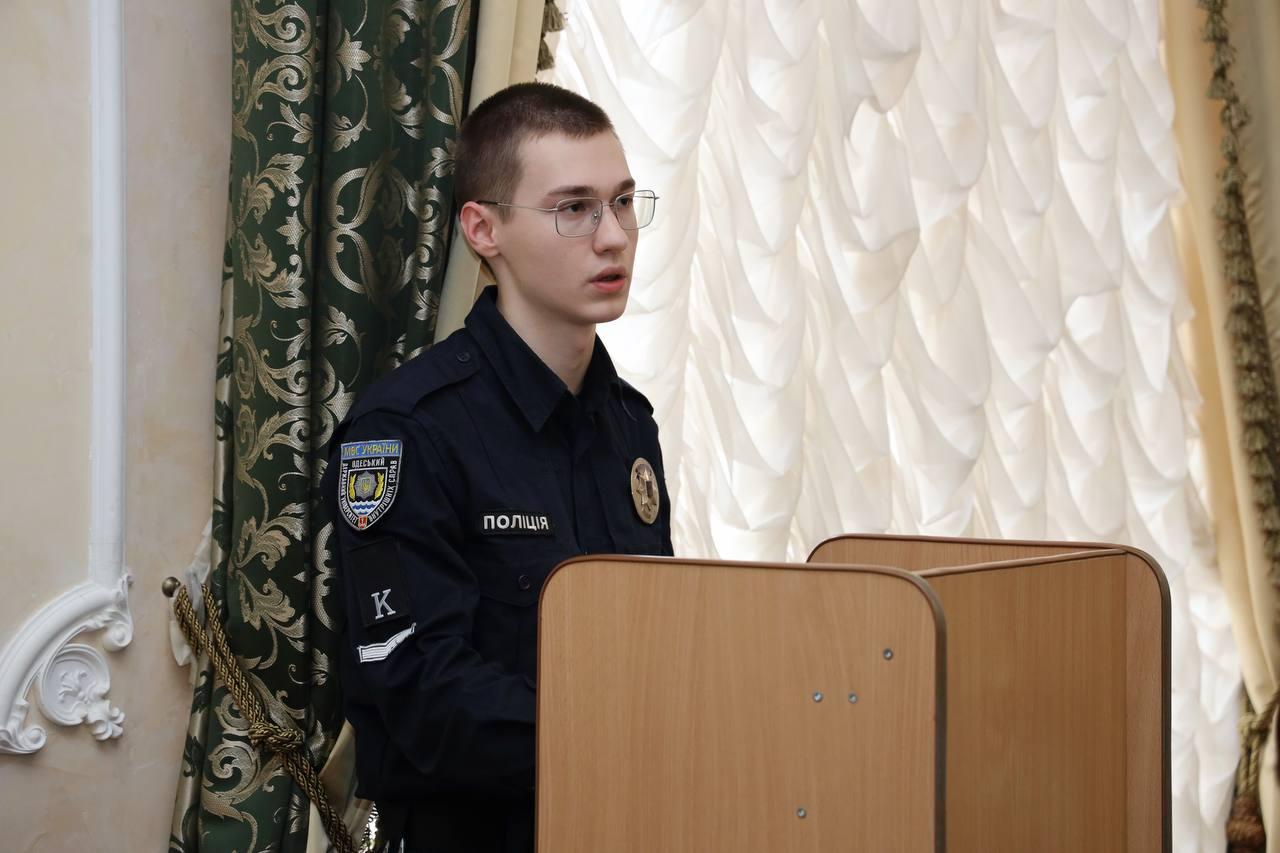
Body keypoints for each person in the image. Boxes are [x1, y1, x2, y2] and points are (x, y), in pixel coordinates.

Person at [324, 81, 673, 853]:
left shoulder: (629, 423)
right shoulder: (406, 432)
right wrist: (628, 733)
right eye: (574, 208)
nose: (614, 237)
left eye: (622, 202)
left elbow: (649, 636)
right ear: (483, 229)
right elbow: (418, 687)